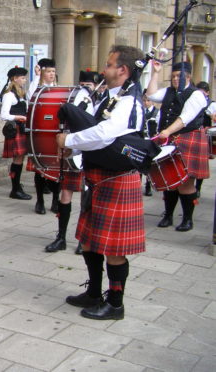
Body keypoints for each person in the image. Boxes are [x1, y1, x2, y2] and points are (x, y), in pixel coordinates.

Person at [56, 45, 146, 320]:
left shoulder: (130, 102)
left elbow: (106, 134)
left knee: (115, 250)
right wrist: (77, 148)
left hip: (117, 182)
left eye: (108, 65)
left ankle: (115, 304)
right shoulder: (111, 97)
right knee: (90, 241)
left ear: (123, 70)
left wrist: (68, 141)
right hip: (98, 178)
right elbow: (95, 134)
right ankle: (94, 292)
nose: (103, 69)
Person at [147, 61, 210, 231]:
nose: (175, 79)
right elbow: (151, 94)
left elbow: (185, 118)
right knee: (169, 179)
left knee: (185, 182)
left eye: (179, 76)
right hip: (170, 138)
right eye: (173, 76)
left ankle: (188, 220)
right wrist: (155, 73)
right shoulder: (168, 92)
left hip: (188, 139)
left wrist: (166, 131)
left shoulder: (196, 95)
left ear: (188, 77)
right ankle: (168, 216)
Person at [45, 69, 99, 254]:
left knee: (87, 199)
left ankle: (84, 239)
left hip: (92, 155)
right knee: (65, 195)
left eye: (89, 85)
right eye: (83, 85)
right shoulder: (78, 99)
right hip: (74, 153)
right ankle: (61, 238)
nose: (85, 88)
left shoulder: (102, 104)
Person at [29, 58, 60, 215]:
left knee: (56, 168)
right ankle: (40, 200)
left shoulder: (58, 88)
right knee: (40, 168)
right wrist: (36, 77)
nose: (52, 74)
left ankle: (56, 199)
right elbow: (31, 102)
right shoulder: (36, 86)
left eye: (53, 71)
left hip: (55, 131)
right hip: (40, 131)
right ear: (42, 72)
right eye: (48, 71)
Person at [0, 66, 31, 200]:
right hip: (16, 129)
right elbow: (4, 115)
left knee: (20, 159)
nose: (24, 80)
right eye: (23, 78)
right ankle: (15, 188)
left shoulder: (21, 94)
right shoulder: (9, 95)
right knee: (17, 159)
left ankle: (17, 186)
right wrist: (18, 117)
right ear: (15, 79)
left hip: (23, 129)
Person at [142, 89, 159, 196]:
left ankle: (148, 186)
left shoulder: (157, 112)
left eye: (148, 100)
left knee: (149, 165)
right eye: (144, 100)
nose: (146, 103)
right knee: (137, 162)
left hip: (151, 141)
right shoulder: (139, 111)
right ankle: (137, 184)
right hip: (140, 141)